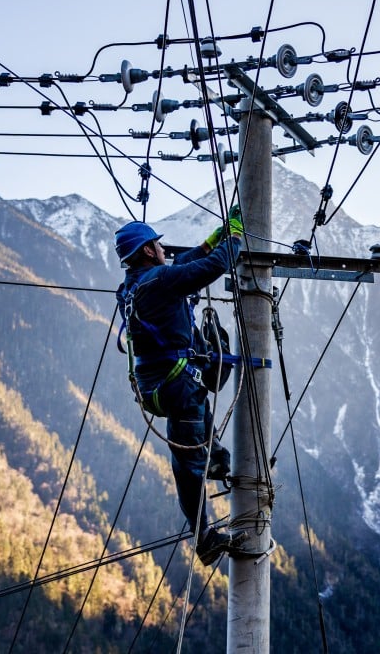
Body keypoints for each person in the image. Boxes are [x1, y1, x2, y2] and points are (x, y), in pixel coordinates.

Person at [114, 207, 243, 565]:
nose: (162, 249)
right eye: (157, 245)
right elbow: (210, 268)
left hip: (157, 384)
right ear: (146, 251)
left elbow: (181, 267)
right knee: (188, 468)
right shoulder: (158, 283)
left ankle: (216, 458)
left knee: (196, 440)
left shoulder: (133, 286)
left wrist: (212, 240)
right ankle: (205, 540)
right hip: (176, 386)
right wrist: (233, 238)